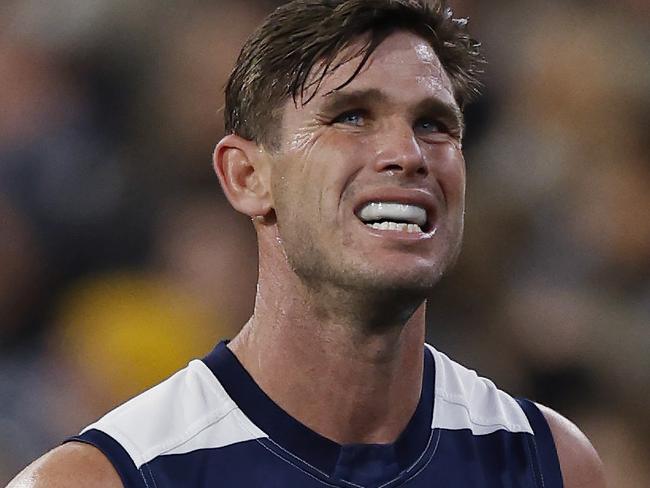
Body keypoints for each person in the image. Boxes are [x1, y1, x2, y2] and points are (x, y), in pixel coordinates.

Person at [8, 0, 606, 486]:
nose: (408, 154)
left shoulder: (551, 464)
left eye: (433, 124)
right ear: (247, 177)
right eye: (351, 116)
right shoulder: (104, 478)